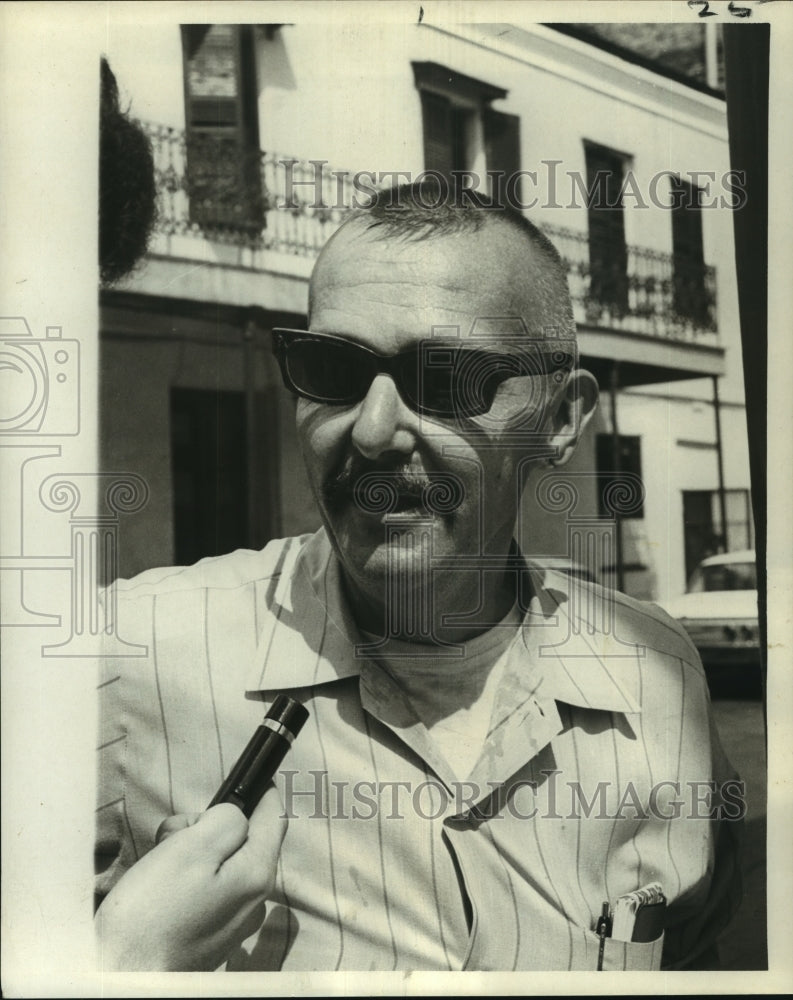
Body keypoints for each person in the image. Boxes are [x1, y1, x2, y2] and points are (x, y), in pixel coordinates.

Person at [95, 182, 742, 972]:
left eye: (444, 381)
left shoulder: (659, 674)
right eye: (330, 369)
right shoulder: (123, 658)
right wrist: (118, 972)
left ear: (563, 420)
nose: (370, 430)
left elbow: (702, 956)